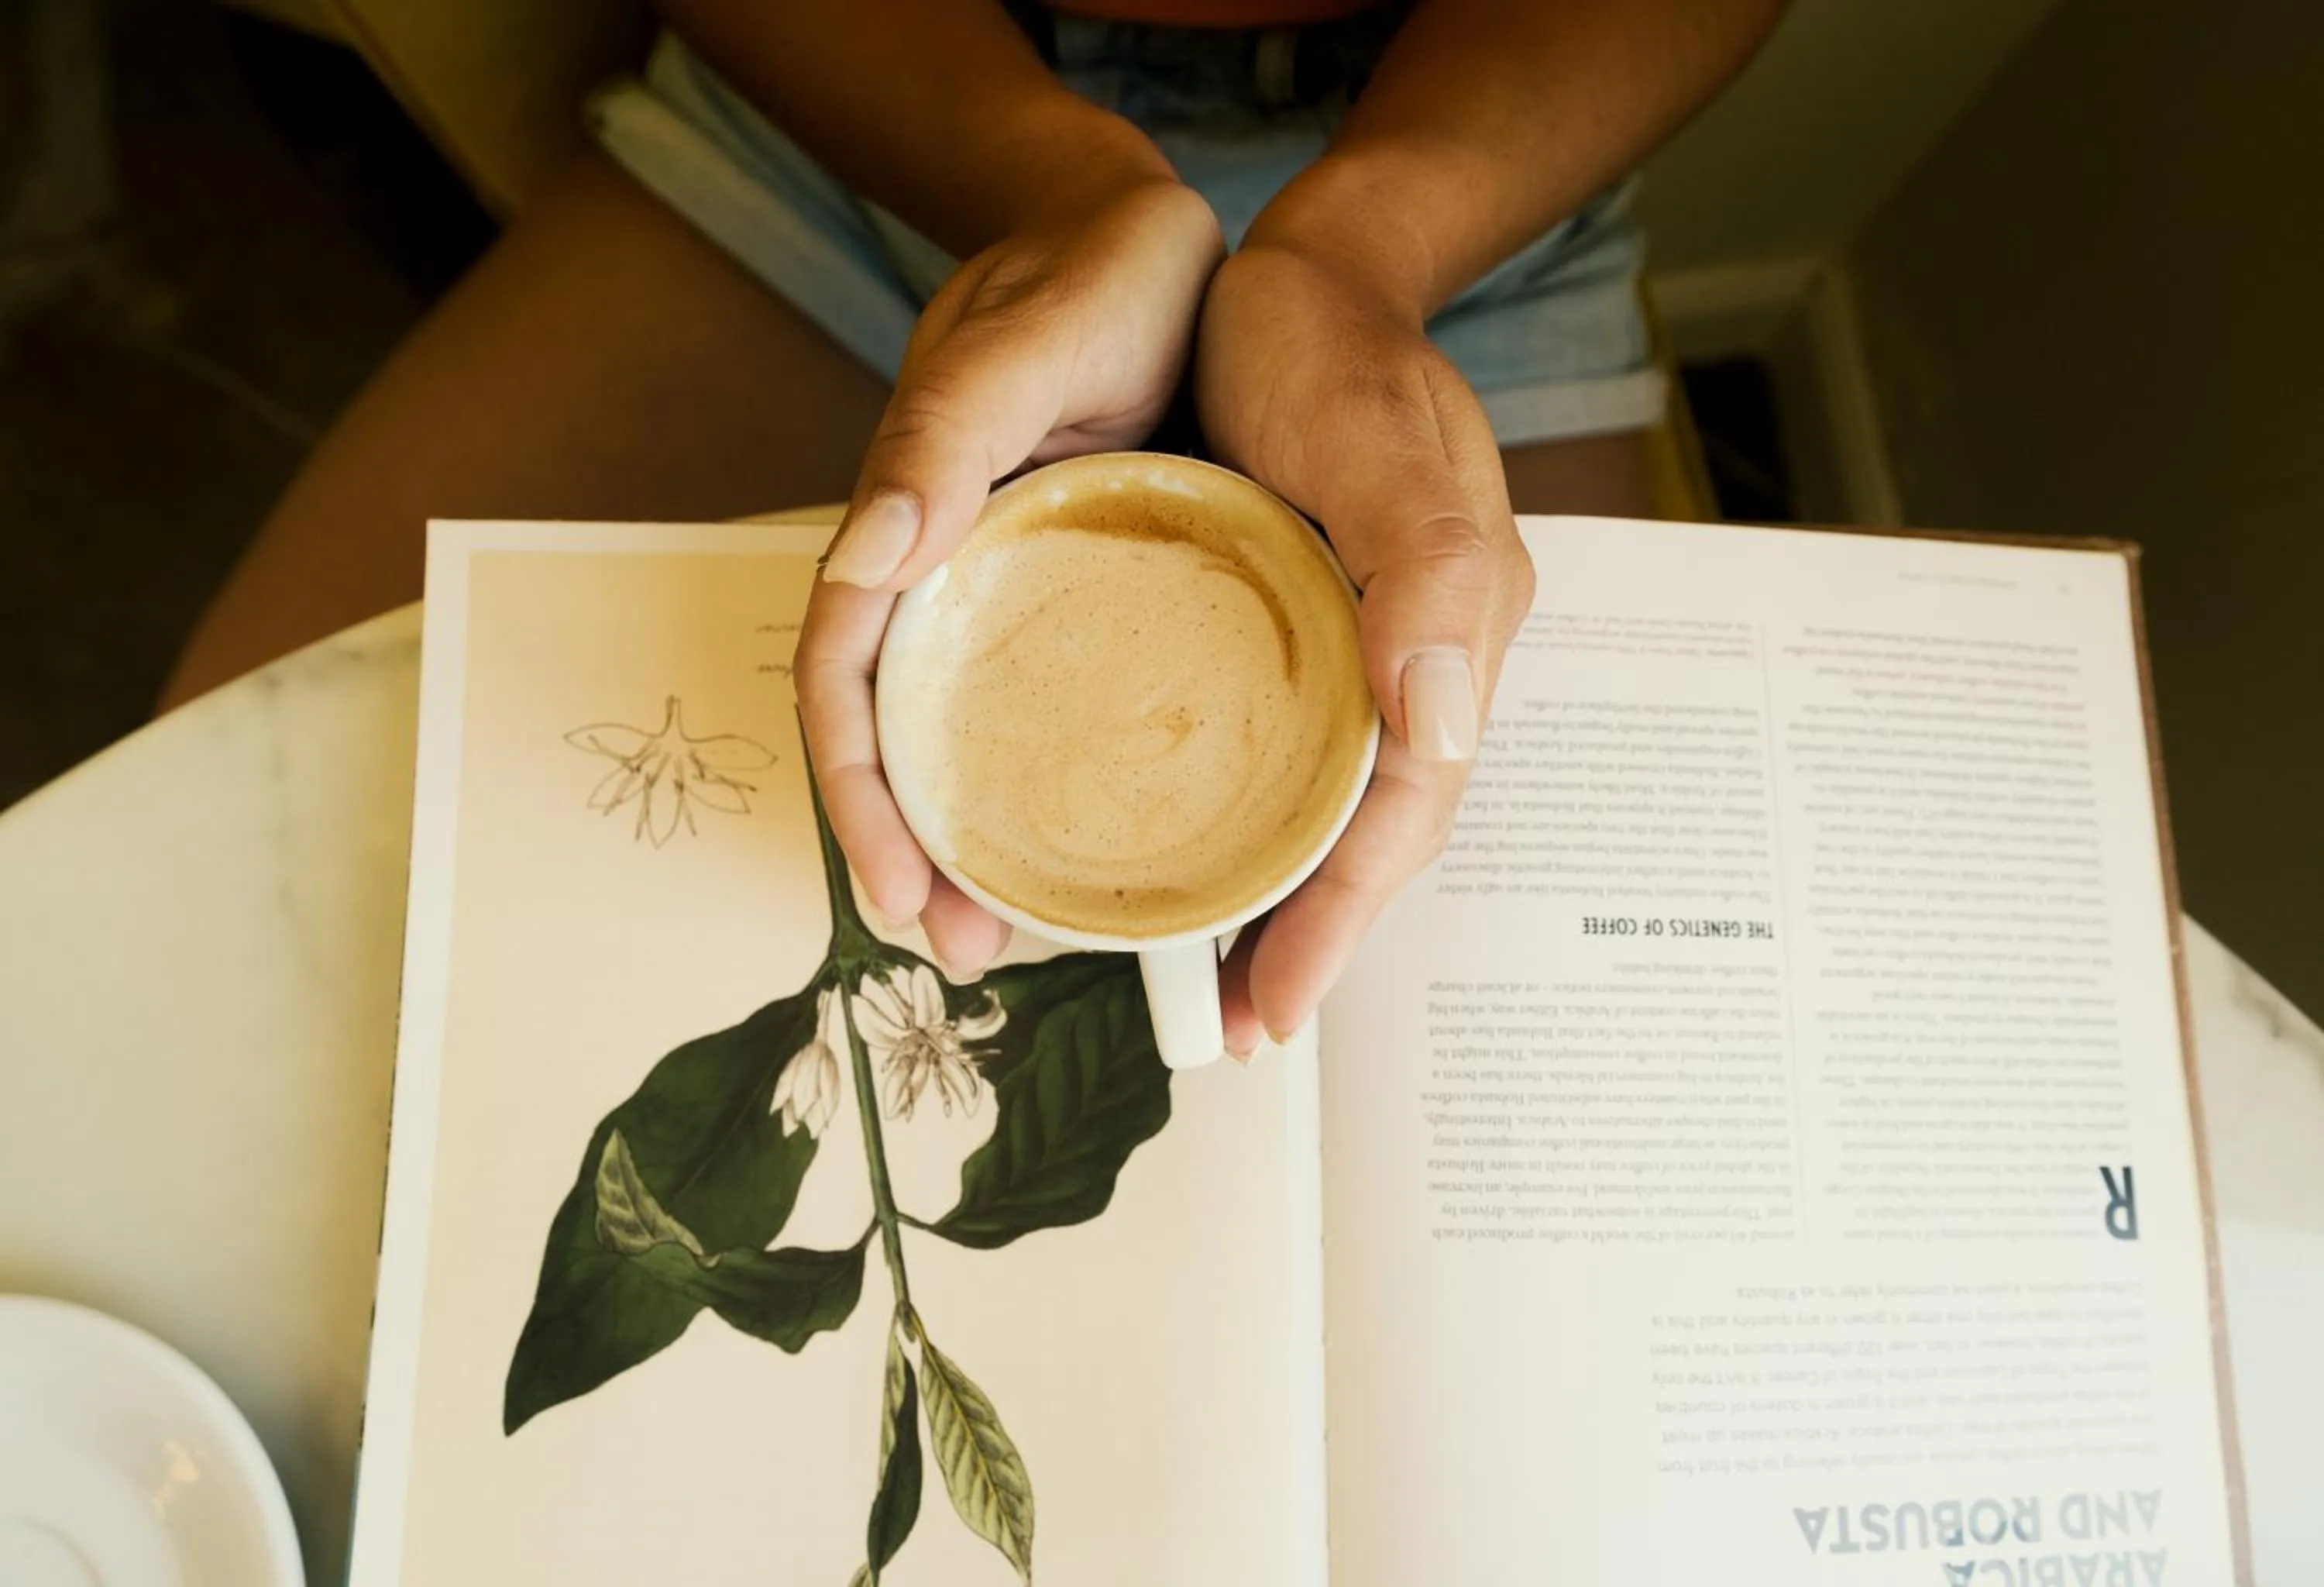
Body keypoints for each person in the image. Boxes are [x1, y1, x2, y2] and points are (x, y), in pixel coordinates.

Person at [164, 0, 1786, 1055]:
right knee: (232, 924)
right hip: (901, 87)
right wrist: (1053, 191)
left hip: (1478, 163)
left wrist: (1367, 245)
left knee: (1594, 1068)